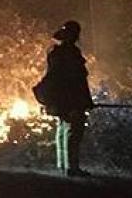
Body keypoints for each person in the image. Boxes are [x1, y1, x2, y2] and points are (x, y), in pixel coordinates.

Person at [34, 20, 94, 177]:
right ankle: (72, 168)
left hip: (61, 98)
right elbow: (77, 80)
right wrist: (84, 100)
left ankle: (63, 165)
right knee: (74, 132)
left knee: (63, 129)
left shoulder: (56, 53)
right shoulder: (70, 54)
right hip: (71, 99)